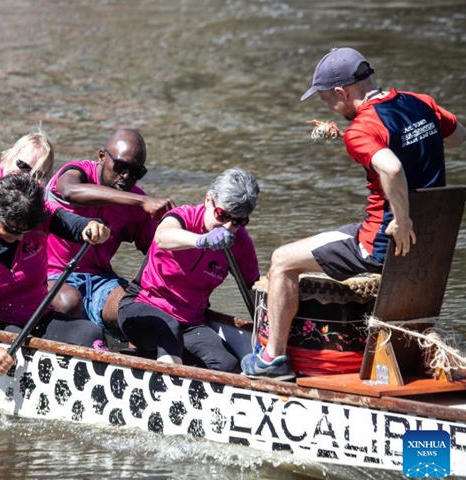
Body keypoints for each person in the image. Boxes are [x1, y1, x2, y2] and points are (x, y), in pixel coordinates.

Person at [241, 47, 466, 378]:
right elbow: (459, 136)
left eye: (325, 99)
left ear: (341, 92)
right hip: (432, 243)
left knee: (281, 261)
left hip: (382, 242)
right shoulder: (420, 102)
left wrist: (402, 221)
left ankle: (271, 360)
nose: (327, 106)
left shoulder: (363, 129)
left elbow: (390, 168)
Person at [0, 174, 110, 378]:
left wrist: (94, 227)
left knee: (91, 333)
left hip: (37, 314)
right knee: (23, 351)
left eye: (27, 230)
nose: (20, 237)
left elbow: (78, 226)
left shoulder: (38, 214)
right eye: (13, 229)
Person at [117, 168, 260, 372]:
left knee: (228, 364)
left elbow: (253, 290)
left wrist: (272, 332)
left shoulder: (241, 244)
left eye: (239, 221)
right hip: (141, 308)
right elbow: (162, 236)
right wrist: (201, 241)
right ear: (208, 200)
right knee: (168, 330)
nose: (228, 227)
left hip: (191, 323)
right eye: (223, 215)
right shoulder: (183, 216)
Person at [45, 129, 175, 335]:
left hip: (101, 281)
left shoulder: (135, 204)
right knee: (69, 302)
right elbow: (70, 190)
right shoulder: (76, 173)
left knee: (139, 310)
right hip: (49, 276)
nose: (126, 177)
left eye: (136, 173)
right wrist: (141, 200)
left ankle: (140, 356)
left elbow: (159, 251)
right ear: (102, 156)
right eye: (121, 166)